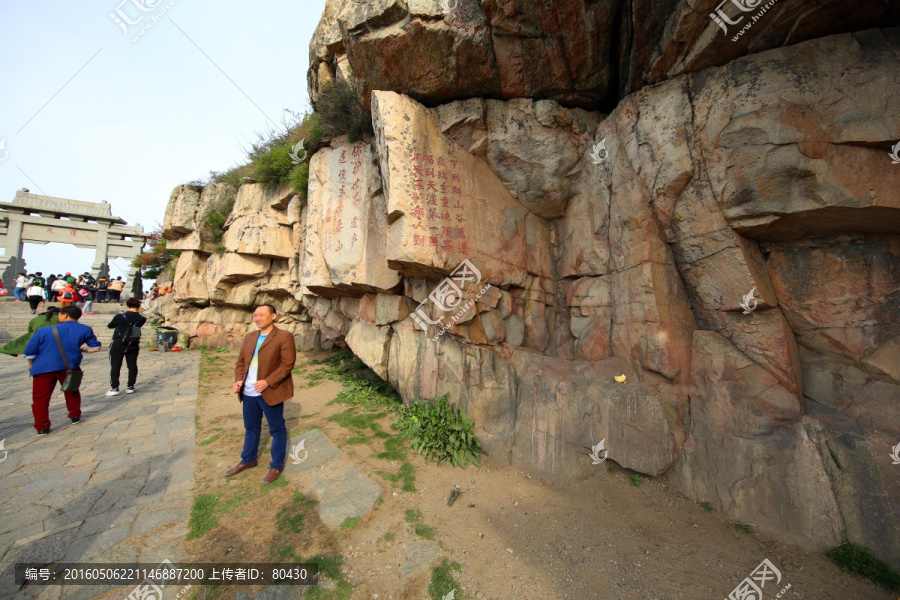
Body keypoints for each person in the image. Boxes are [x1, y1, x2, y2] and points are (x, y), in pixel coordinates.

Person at [225, 304, 297, 485]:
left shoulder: (283, 337)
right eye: (255, 315)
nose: (257, 318)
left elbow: (287, 364)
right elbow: (241, 362)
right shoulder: (250, 337)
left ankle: (276, 465)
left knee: (277, 429)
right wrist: (239, 380)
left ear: (272, 316)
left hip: (269, 391)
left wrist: (267, 381)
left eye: (261, 315)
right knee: (251, 427)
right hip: (248, 393)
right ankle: (248, 459)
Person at [24, 305, 102, 434]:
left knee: (40, 399)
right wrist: (83, 349)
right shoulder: (85, 329)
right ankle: (75, 415)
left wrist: (31, 365)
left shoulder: (44, 331)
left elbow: (30, 352)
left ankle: (42, 426)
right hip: (69, 366)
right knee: (71, 390)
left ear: (64, 315)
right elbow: (96, 348)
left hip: (44, 367)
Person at [106, 297, 147, 395]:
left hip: (118, 343)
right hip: (132, 343)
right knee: (132, 365)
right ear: (139, 306)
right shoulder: (142, 318)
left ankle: (114, 387)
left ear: (127, 306)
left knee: (115, 366)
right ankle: (130, 386)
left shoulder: (120, 316)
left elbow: (110, 325)